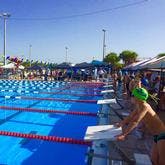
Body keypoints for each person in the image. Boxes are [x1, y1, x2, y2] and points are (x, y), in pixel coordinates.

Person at [115, 87, 165, 165]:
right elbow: (131, 116)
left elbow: (135, 121)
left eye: (133, 95)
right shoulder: (139, 105)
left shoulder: (145, 106)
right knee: (154, 159)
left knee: (162, 161)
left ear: (138, 98)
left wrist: (124, 134)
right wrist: (121, 123)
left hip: (162, 134)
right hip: (156, 135)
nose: (131, 97)